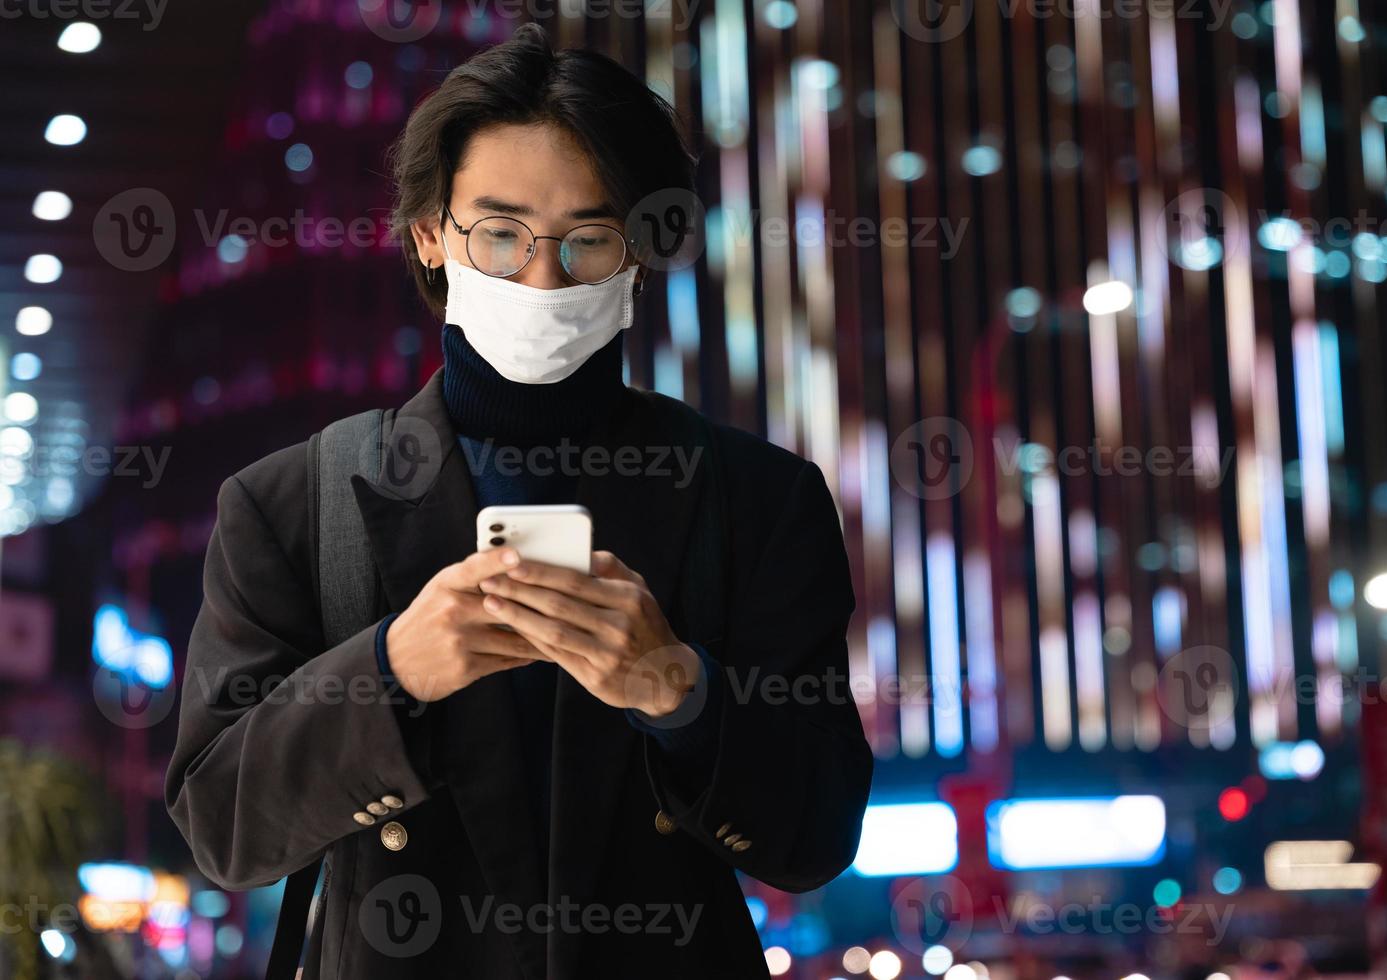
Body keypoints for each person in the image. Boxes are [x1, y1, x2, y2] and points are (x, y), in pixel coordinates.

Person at [165, 23, 871, 980]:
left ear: (639, 251)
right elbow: (220, 824)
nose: (542, 277)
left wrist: (680, 690)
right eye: (499, 233)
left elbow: (818, 833)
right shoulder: (293, 503)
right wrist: (388, 673)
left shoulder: (756, 499)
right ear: (429, 234)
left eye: (588, 238)